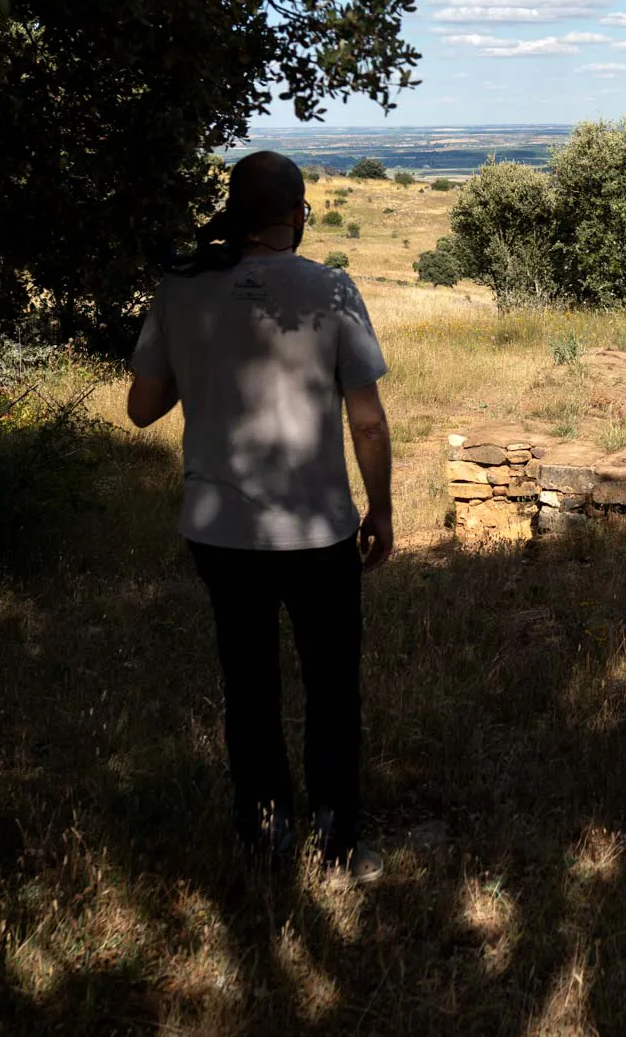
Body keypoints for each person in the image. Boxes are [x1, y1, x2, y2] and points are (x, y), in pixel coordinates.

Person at [125, 151, 393, 883]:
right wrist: (383, 510)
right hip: (318, 530)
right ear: (299, 212)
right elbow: (366, 422)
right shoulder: (331, 289)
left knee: (249, 686)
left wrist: (204, 361)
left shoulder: (179, 291)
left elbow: (142, 407)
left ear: (236, 211)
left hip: (219, 530)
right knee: (331, 688)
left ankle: (267, 834)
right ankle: (337, 843)